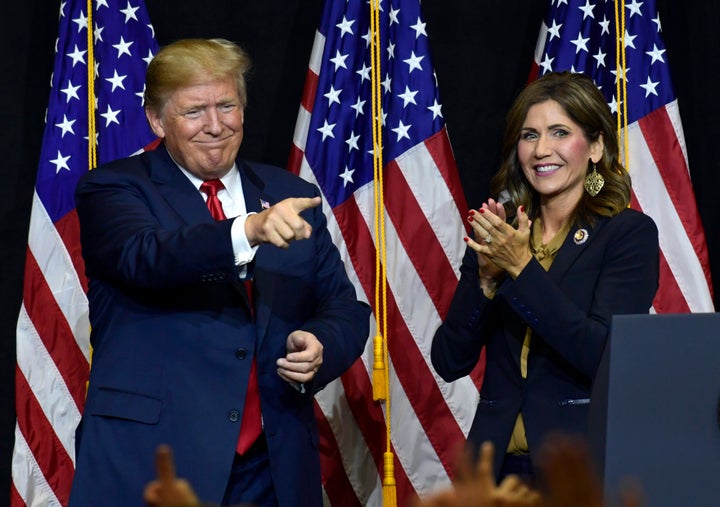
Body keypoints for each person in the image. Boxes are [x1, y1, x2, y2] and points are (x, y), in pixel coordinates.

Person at [69, 38, 371, 507]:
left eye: (227, 105)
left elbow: (344, 308)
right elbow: (150, 256)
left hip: (275, 469)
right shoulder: (112, 189)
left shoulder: (289, 192)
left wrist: (321, 345)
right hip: (155, 465)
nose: (215, 125)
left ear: (244, 110)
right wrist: (247, 229)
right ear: (156, 120)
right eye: (194, 111)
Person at [431, 71, 659, 483]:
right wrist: (484, 281)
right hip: (493, 471)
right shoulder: (502, 235)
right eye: (529, 135)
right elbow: (448, 361)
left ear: (595, 146)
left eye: (559, 132)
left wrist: (521, 269)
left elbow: (602, 355)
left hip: (578, 470)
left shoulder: (627, 235)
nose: (542, 149)